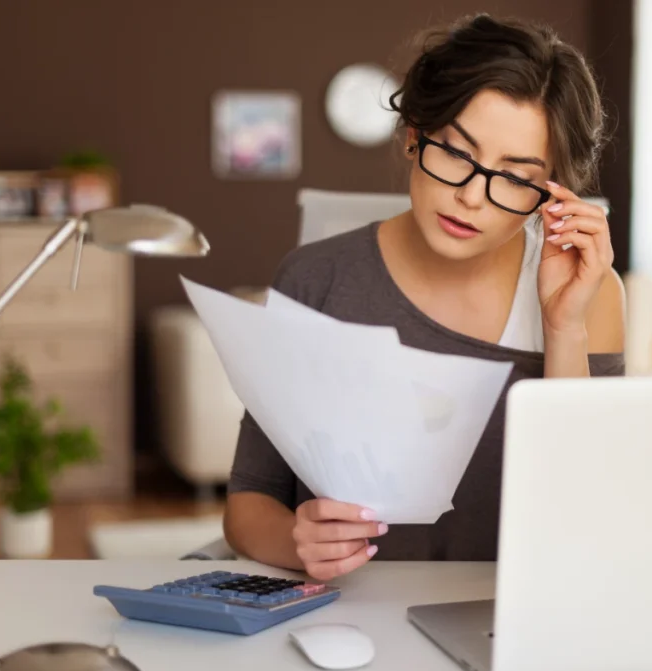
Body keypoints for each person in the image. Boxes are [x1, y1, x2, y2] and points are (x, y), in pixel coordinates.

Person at [222, 13, 626, 580]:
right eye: (458, 155)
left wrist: (564, 328)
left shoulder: (591, 295)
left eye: (515, 177)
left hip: (506, 626)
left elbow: (587, 520)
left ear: (548, 194)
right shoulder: (316, 280)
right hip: (344, 621)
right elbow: (249, 500)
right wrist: (298, 542)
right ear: (414, 133)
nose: (471, 198)